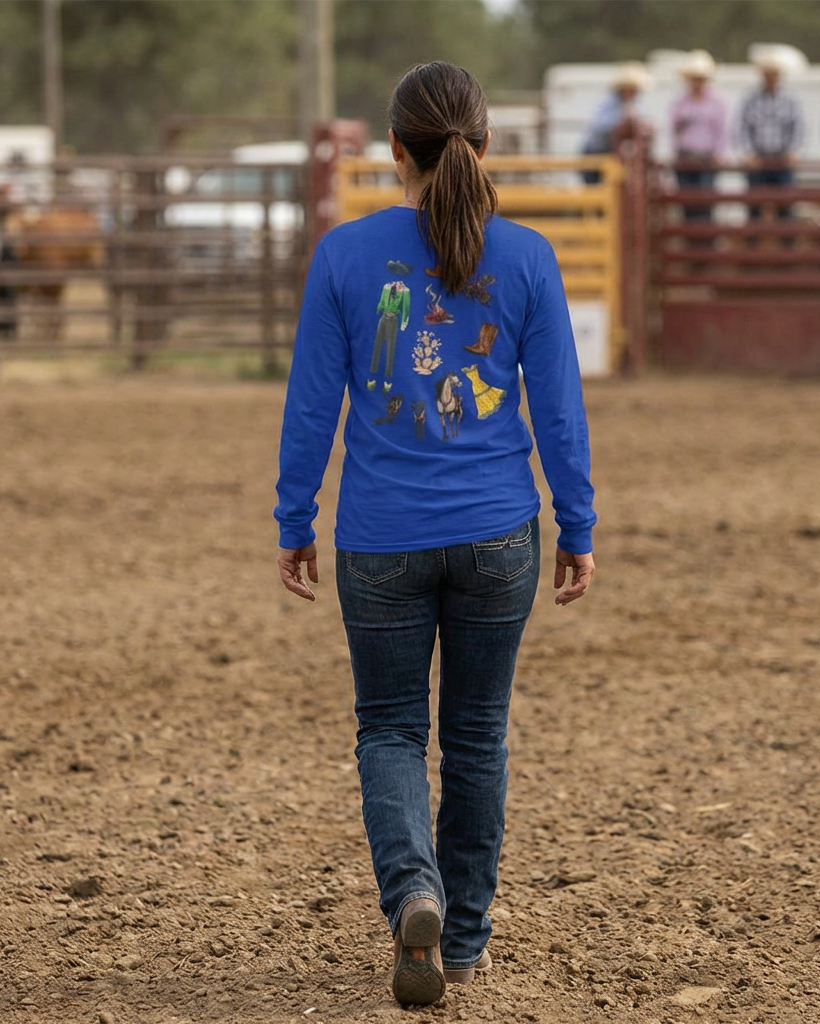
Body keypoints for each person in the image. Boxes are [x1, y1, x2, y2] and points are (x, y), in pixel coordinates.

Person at [274, 61, 596, 1007]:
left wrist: (297, 517)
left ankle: (412, 890)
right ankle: (460, 943)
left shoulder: (344, 253)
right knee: (478, 736)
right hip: (499, 533)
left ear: (394, 151)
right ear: (485, 145)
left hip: (380, 540)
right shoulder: (529, 257)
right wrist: (577, 522)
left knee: (390, 730)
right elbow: (562, 412)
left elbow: (311, 407)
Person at [736, 51, 805, 220]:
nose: (771, 78)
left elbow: (798, 128)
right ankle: (752, 244)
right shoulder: (751, 99)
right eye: (767, 74)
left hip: (782, 159)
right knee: (754, 208)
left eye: (774, 74)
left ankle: (786, 245)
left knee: (785, 208)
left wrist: (793, 151)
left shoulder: (790, 100)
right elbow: (742, 127)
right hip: (758, 159)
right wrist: (748, 152)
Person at [670, 50, 726, 223]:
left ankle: (705, 242)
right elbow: (674, 129)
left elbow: (721, 130)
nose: (698, 82)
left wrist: (719, 152)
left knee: (705, 202)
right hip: (685, 156)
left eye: (701, 78)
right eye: (695, 78)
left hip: (707, 157)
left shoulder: (717, 102)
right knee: (687, 203)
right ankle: (691, 242)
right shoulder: (680, 102)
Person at [581, 61, 651, 183]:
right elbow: (601, 126)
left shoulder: (634, 105)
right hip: (596, 152)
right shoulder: (609, 104)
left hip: (612, 155)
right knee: (596, 188)